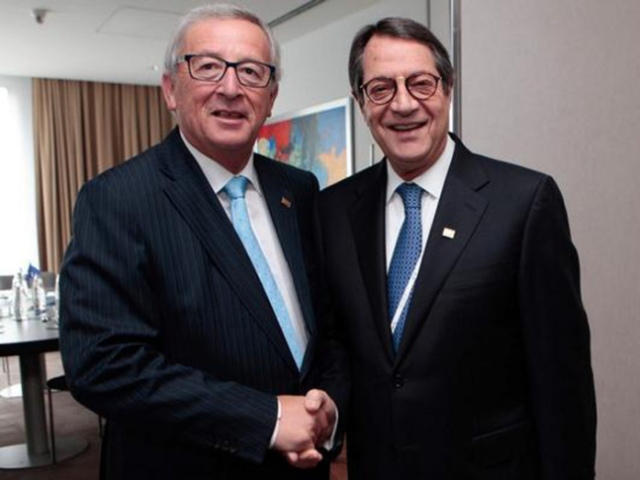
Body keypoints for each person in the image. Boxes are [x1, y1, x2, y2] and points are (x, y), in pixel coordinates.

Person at [59, 4, 346, 479]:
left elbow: (328, 328)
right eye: (208, 66)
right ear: (171, 89)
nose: (231, 87)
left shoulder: (299, 190)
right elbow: (103, 365)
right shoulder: (117, 198)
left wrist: (329, 408)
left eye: (251, 71)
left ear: (271, 96)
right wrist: (268, 420)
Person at [319, 17, 596, 479]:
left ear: (448, 88)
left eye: (421, 83)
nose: (403, 104)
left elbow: (562, 381)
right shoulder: (334, 211)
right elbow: (337, 345)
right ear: (360, 101)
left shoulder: (523, 202)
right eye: (381, 88)